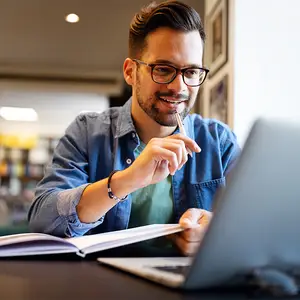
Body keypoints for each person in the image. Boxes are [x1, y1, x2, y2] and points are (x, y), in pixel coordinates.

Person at [28, 0, 240, 256]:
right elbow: (42, 220)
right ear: (130, 72)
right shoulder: (87, 132)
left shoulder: (220, 142)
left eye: (191, 71)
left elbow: (257, 226)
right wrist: (125, 180)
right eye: (163, 69)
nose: (179, 87)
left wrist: (214, 231)